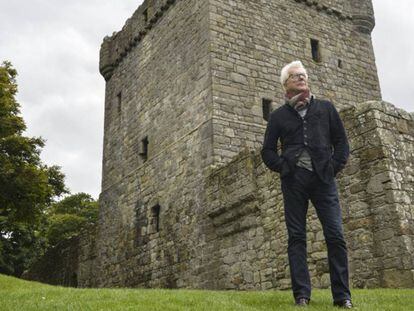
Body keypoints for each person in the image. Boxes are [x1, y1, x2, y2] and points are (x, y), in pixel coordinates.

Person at [261, 61, 352, 308]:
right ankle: (302, 295)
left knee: (335, 235)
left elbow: (342, 144)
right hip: (294, 182)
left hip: (324, 179)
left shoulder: (326, 108)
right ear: (285, 84)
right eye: (295, 76)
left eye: (303, 75)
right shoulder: (279, 116)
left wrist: (333, 167)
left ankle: (342, 296)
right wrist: (284, 168)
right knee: (297, 238)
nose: (301, 78)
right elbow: (267, 151)